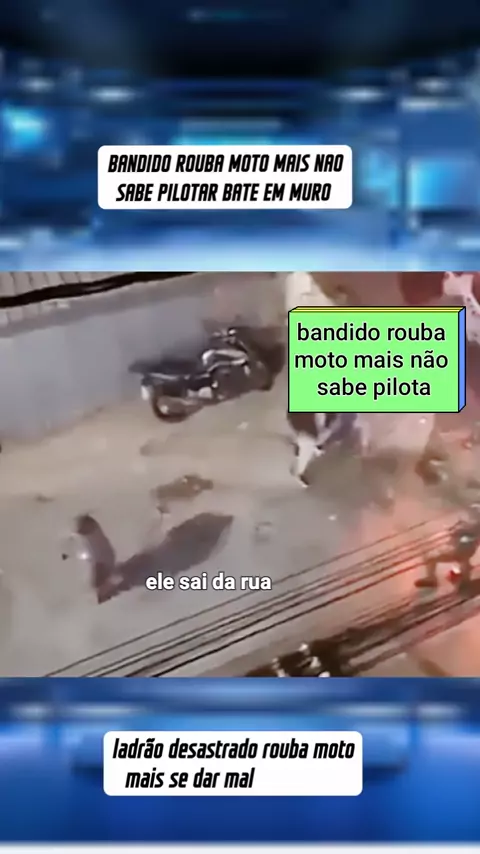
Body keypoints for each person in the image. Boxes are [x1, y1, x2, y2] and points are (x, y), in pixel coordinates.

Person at [415, 519, 480, 592]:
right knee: (463, 559)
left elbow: (467, 538)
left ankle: (432, 579)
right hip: (462, 550)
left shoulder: (469, 532)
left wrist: (458, 532)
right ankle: (465, 578)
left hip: (460, 551)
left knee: (431, 558)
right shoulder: (469, 530)